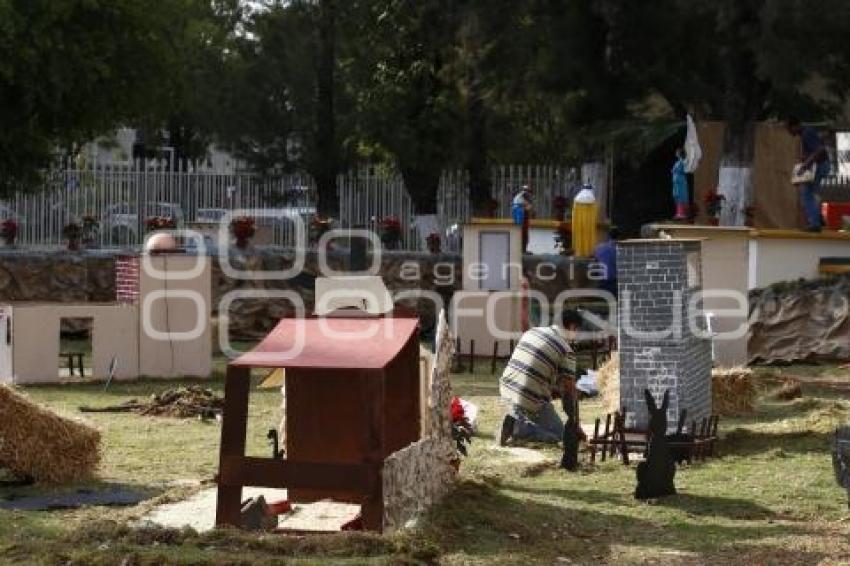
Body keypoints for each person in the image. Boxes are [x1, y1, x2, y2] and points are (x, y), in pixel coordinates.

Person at [498, 309, 583, 446]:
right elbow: (568, 391)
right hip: (529, 398)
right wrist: (574, 424)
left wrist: (553, 391)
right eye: (577, 331)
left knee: (536, 405)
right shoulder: (566, 350)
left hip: (507, 388)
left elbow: (534, 368)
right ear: (572, 327)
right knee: (559, 434)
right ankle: (519, 429)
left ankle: (515, 418)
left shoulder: (533, 331)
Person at [787, 117, 831, 232]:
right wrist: (806, 159)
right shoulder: (806, 133)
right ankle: (819, 218)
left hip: (820, 166)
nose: (789, 132)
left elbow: (820, 149)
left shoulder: (806, 133)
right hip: (821, 165)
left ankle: (815, 223)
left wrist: (806, 164)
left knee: (806, 194)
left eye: (789, 129)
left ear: (794, 126)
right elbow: (815, 150)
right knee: (812, 194)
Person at [593, 227, 620, 299]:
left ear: (608, 236)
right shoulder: (620, 249)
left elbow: (595, 263)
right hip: (615, 282)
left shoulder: (598, 247)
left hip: (601, 282)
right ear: (619, 236)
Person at [511, 185, 534, 253]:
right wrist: (529, 206)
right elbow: (528, 204)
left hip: (518, 211)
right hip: (520, 212)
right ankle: (522, 249)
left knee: (519, 229)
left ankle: (521, 248)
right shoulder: (523, 194)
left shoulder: (518, 197)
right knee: (521, 230)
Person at [671, 148, 689, 220]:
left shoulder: (683, 162)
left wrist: (675, 170)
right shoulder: (678, 162)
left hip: (680, 181)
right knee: (677, 196)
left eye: (677, 152)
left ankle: (682, 213)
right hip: (677, 181)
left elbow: (683, 170)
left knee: (681, 196)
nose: (676, 153)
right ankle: (679, 212)